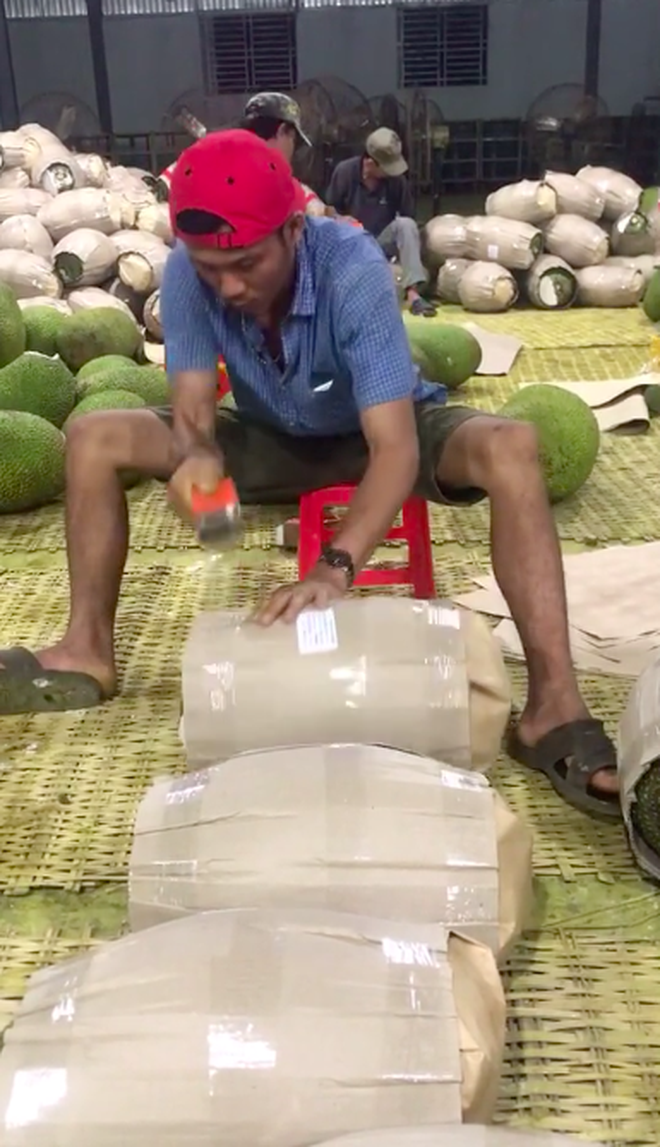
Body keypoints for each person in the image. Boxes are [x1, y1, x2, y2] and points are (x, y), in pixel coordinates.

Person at [0, 129, 618, 822]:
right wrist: (199, 468)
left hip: (379, 432)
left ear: (293, 229)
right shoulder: (189, 277)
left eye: (246, 263)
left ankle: (553, 708)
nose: (229, 285)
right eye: (210, 268)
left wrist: (334, 567)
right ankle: (86, 651)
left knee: (512, 446)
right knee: (93, 437)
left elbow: (394, 450)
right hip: (271, 434)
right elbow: (195, 419)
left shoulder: (350, 266)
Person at [326, 127, 436, 317]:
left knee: (406, 224)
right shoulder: (345, 172)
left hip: (381, 243)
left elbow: (409, 219)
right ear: (369, 163)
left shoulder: (396, 182)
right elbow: (328, 210)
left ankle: (413, 295)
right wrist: (340, 219)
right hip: (353, 245)